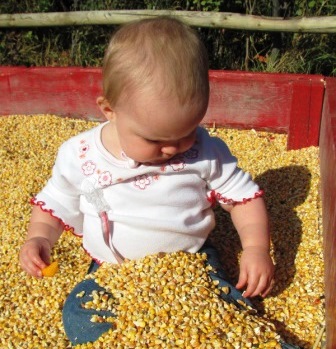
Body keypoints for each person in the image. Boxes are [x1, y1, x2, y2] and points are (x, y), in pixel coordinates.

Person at [19, 16, 279, 346]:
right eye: (154, 140)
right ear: (109, 110)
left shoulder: (204, 151)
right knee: (80, 314)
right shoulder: (80, 156)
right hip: (111, 270)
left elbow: (244, 198)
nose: (172, 148)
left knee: (226, 313)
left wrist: (256, 248)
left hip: (190, 264)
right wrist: (39, 238)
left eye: (186, 133)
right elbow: (55, 202)